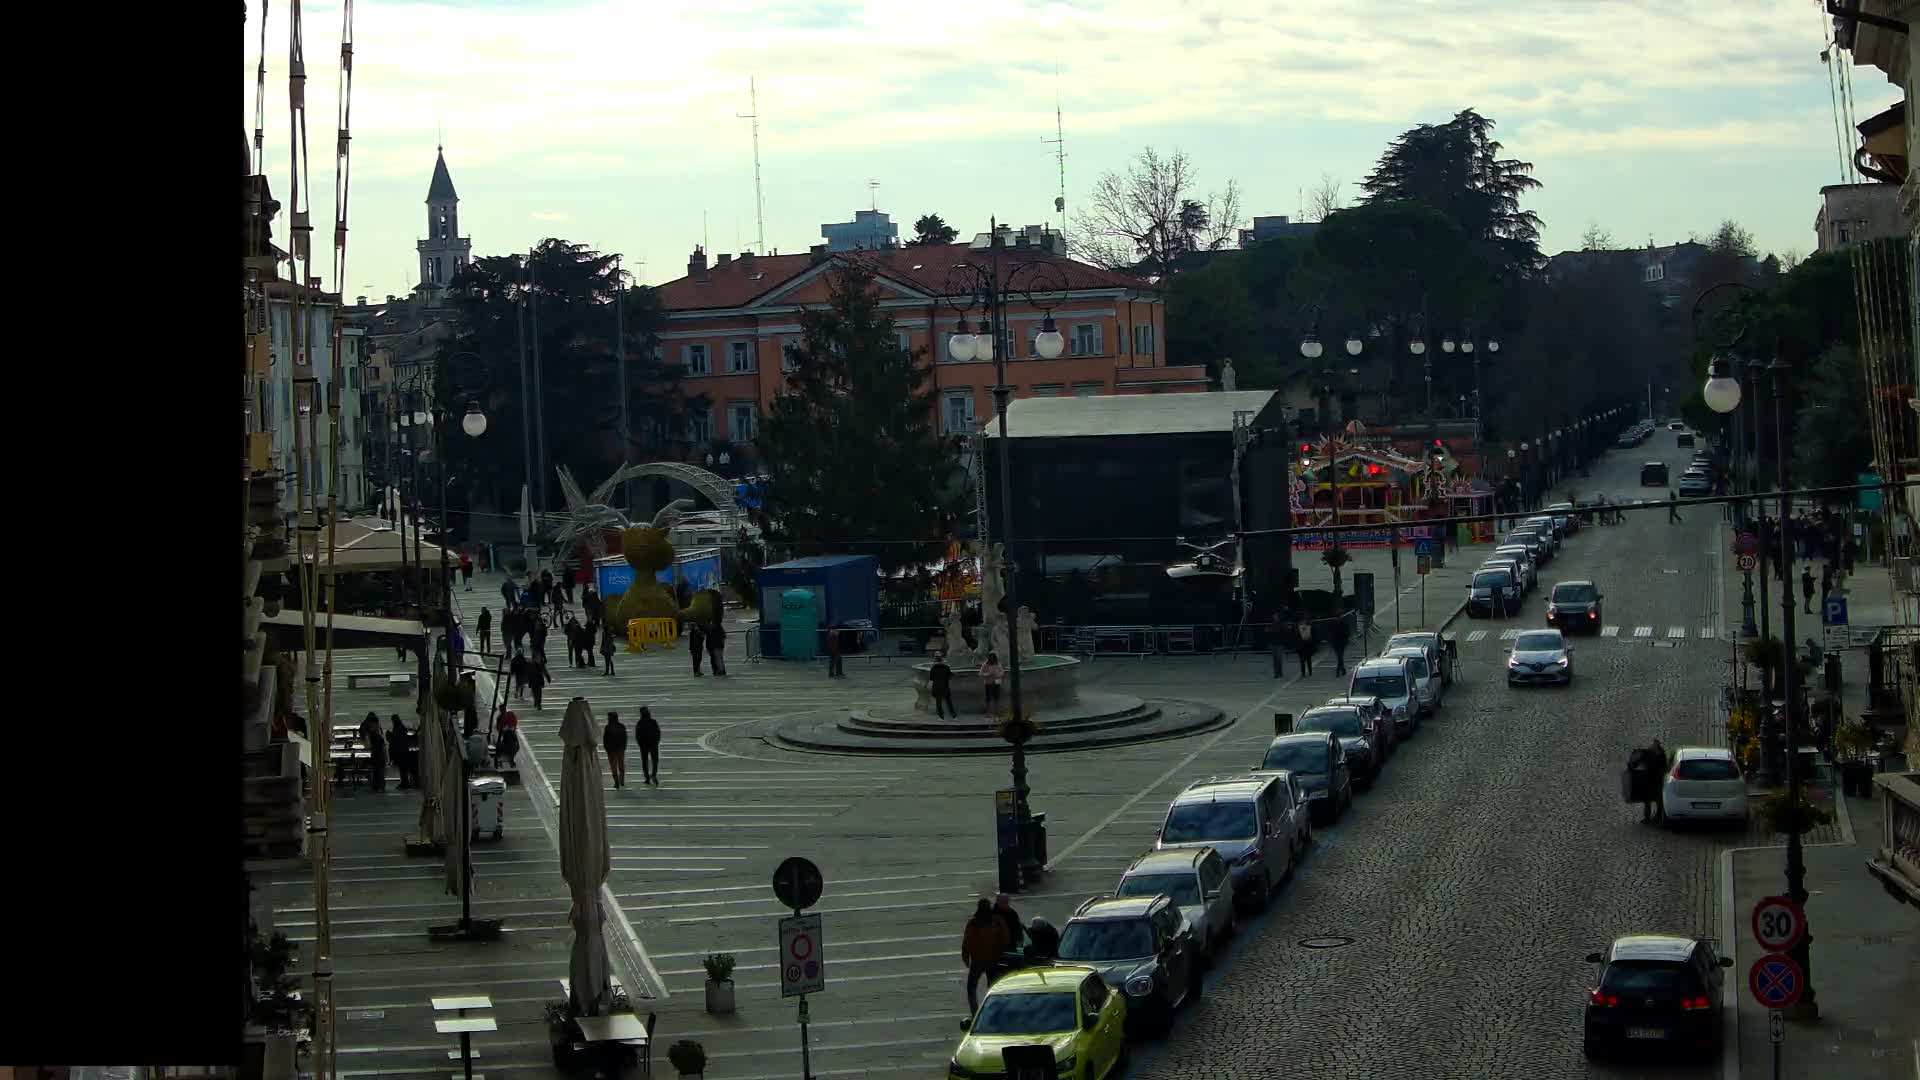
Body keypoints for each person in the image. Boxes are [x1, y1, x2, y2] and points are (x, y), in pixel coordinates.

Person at [960, 898, 1010, 1022]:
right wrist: (1002, 953)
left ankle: (975, 1014)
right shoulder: (997, 921)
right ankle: (995, 1011)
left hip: (977, 960)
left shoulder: (973, 923)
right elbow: (1006, 939)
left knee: (971, 988)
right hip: (993, 959)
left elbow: (966, 941)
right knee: (994, 988)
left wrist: (966, 957)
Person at [1626, 737, 1669, 823]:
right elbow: (1665, 767)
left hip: (1650, 779)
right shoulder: (1661, 755)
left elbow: (1635, 762)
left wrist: (1632, 767)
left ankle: (1649, 818)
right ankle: (1656, 817)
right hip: (1657, 779)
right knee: (1657, 800)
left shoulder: (1648, 753)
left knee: (1649, 800)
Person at [359, 712, 387, 792]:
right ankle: (380, 786)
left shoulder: (369, 730)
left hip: (376, 754)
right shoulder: (377, 734)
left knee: (376, 771)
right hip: (378, 754)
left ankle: (377, 786)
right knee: (379, 771)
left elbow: (367, 741)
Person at [635, 705, 662, 786]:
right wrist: (656, 742)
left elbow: (637, 735)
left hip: (644, 746)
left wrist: (640, 744)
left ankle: (647, 778)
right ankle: (653, 775)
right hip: (653, 744)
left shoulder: (640, 723)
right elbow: (658, 733)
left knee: (645, 761)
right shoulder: (653, 722)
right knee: (655, 761)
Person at [604, 710, 629, 789]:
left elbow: (605, 740)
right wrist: (624, 747)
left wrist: (607, 748)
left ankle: (616, 782)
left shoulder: (608, 727)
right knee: (621, 764)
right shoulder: (621, 726)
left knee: (613, 766)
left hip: (611, 750)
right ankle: (622, 780)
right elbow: (625, 737)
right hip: (620, 749)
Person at [389, 714, 415, 789]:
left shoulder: (397, 727)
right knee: (404, 769)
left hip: (400, 752)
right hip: (404, 751)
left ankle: (404, 783)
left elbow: (396, 739)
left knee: (403, 769)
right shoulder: (401, 727)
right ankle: (405, 783)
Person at [929, 654, 957, 719]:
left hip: (937, 687)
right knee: (948, 701)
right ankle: (953, 714)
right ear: (942, 659)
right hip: (945, 686)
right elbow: (950, 676)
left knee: (938, 702)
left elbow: (931, 678)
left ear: (935, 660)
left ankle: (941, 716)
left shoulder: (934, 668)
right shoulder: (946, 667)